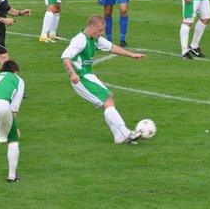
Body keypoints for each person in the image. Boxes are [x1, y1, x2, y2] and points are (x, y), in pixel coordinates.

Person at [61, 15, 146, 144]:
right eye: (100, 30)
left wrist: (131, 55)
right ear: (91, 27)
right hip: (81, 78)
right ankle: (126, 133)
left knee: (109, 100)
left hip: (88, 75)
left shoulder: (95, 38)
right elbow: (65, 57)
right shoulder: (80, 40)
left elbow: (112, 47)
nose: (102, 33)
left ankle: (119, 136)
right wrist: (72, 74)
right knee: (107, 100)